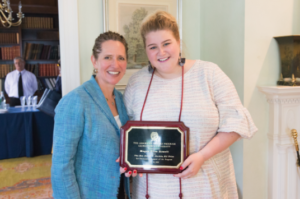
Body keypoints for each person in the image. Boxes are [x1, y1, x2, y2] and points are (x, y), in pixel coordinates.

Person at [123, 11, 258, 199]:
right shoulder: (137, 83)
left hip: (206, 188)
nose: (161, 52)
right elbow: (126, 133)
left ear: (178, 41)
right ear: (145, 50)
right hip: (153, 191)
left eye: (167, 43)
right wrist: (128, 160)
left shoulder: (209, 73)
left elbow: (237, 124)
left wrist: (202, 156)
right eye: (152, 47)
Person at [51, 31, 131, 199]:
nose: (115, 64)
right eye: (107, 57)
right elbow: (61, 166)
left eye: (121, 58)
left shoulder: (123, 100)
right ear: (94, 60)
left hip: (120, 190)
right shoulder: (75, 101)